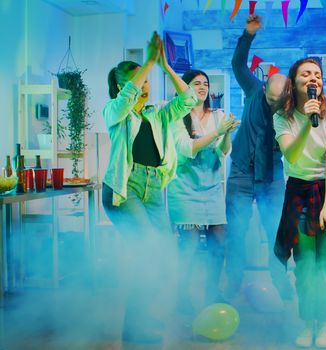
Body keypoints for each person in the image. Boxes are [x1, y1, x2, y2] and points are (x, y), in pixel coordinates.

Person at [102, 32, 197, 343]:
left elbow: (190, 99)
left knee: (160, 257)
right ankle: (136, 331)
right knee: (149, 251)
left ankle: (141, 325)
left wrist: (166, 67)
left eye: (145, 79)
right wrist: (148, 62)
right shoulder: (115, 113)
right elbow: (127, 97)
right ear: (121, 87)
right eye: (137, 80)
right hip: (124, 189)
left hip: (154, 189)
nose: (144, 84)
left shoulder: (158, 114)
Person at [273, 58, 326, 349]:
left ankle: (325, 324)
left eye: (318, 75)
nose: (313, 78)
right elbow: (292, 157)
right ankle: (308, 323)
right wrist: (308, 124)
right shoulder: (282, 117)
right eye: (306, 74)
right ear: (293, 82)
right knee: (306, 265)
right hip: (298, 192)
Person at [225, 14, 290, 300]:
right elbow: (238, 64)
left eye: (281, 100)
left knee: (276, 233)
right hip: (240, 173)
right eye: (272, 99)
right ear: (264, 89)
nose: (276, 105)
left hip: (271, 179)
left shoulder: (292, 107)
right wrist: (248, 34)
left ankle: (282, 282)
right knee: (236, 234)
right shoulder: (253, 89)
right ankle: (233, 284)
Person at [167, 69, 239, 310]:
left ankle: (212, 292)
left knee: (219, 242)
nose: (202, 87)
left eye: (205, 83)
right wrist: (218, 132)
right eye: (196, 83)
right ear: (184, 87)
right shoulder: (176, 116)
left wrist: (226, 133)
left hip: (211, 189)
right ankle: (181, 295)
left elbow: (223, 151)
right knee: (189, 247)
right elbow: (187, 149)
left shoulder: (218, 115)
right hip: (185, 190)